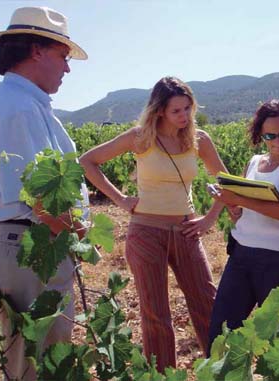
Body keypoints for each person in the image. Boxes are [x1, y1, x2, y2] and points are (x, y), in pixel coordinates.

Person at [0, 7, 89, 380]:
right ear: (37, 51)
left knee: (38, 357)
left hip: (28, 244)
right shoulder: (18, 108)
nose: (67, 68)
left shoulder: (21, 102)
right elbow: (39, 196)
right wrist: (79, 236)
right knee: (34, 365)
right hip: (31, 247)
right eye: (63, 57)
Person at [79, 76, 227, 372]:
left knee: (208, 304)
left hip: (186, 231)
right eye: (177, 111)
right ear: (160, 110)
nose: (184, 116)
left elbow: (226, 183)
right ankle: (162, 377)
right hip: (146, 232)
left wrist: (209, 219)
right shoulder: (141, 137)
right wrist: (121, 199)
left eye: (188, 109)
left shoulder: (200, 139)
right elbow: (88, 161)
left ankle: (222, 372)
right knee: (156, 314)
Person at [206, 99, 279, 352]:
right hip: (242, 254)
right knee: (221, 333)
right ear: (261, 135)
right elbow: (242, 213)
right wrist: (232, 206)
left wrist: (240, 199)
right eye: (270, 135)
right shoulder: (254, 162)